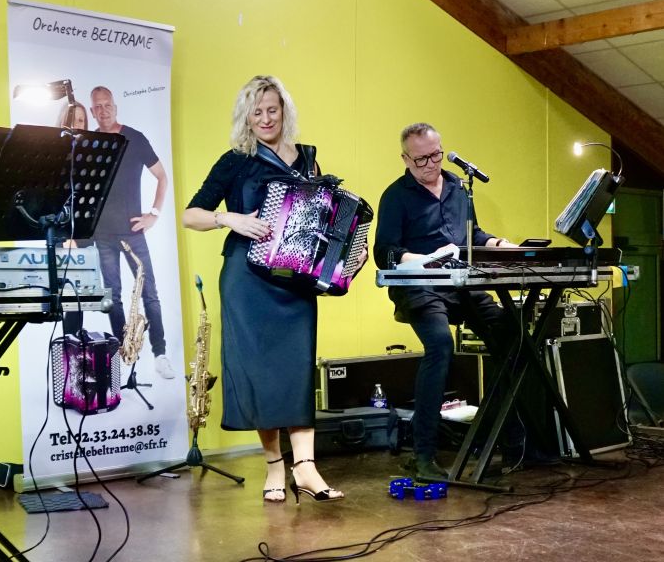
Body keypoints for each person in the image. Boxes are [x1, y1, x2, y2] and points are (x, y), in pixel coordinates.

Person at [183, 75, 365, 503]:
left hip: (295, 282)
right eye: (257, 112)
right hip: (247, 282)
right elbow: (191, 214)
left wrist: (343, 257)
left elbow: (321, 221)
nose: (265, 119)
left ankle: (306, 467)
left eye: (272, 110)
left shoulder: (308, 161)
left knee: (296, 371)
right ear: (246, 117)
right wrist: (229, 219)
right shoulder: (236, 161)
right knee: (261, 375)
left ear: (284, 111)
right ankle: (274, 467)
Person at [373, 122, 513, 480]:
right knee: (440, 345)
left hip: (461, 284)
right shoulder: (395, 196)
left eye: (435, 155)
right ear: (406, 159)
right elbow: (384, 252)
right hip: (420, 287)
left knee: (512, 336)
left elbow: (473, 234)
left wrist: (499, 245)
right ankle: (423, 454)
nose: (430, 164)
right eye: (420, 159)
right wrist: (426, 259)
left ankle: (499, 440)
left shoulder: (458, 188)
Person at [70, 86, 174, 380]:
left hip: (132, 232)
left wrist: (153, 214)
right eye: (98, 107)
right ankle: (125, 354)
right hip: (101, 235)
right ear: (92, 112)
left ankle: (160, 354)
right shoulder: (88, 142)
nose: (103, 111)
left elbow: (162, 177)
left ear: (115, 107)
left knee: (150, 293)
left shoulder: (135, 138)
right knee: (112, 297)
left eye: (107, 105)